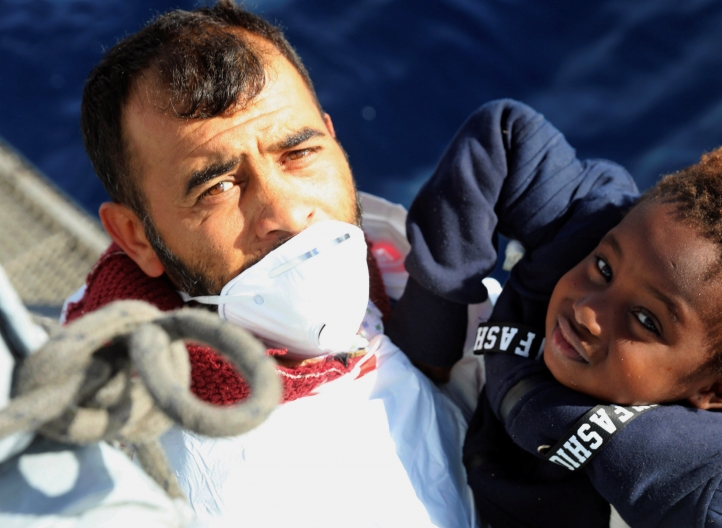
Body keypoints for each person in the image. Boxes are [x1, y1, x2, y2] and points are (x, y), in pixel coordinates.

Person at [69, 1, 475, 526]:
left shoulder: (405, 269)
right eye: (218, 187)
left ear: (332, 139)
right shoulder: (176, 491)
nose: (286, 213)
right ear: (136, 238)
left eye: (299, 153)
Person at [386, 99, 722, 527]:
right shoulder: (591, 223)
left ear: (717, 390)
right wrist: (429, 335)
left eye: (646, 320)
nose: (588, 311)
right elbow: (502, 133)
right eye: (603, 268)